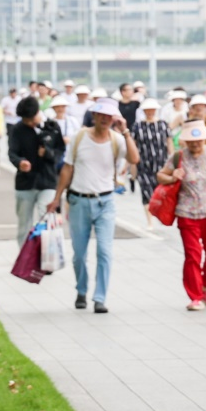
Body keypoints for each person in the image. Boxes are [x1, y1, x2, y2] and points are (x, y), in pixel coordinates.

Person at [47, 97, 140, 314]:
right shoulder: (80, 137)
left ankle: (100, 297)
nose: (105, 119)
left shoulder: (117, 139)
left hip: (105, 202)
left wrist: (125, 131)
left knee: (105, 251)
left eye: (110, 116)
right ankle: (81, 290)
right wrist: (57, 198)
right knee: (79, 253)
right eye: (102, 115)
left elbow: (135, 159)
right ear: (95, 116)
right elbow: (67, 169)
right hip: (79, 201)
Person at [157, 120, 206, 311]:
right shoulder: (178, 156)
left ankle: (205, 286)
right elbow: (160, 175)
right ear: (185, 141)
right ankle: (195, 296)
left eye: (199, 140)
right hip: (187, 213)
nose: (195, 144)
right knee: (192, 255)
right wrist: (172, 177)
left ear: (204, 138)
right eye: (191, 141)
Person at [9, 97, 65, 245]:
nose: (28, 123)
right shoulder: (17, 129)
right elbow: (12, 153)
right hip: (25, 183)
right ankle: (24, 259)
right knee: (24, 224)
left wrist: (47, 153)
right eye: (25, 120)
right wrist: (20, 162)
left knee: (45, 219)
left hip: (47, 181)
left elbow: (60, 151)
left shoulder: (52, 127)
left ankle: (46, 256)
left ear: (37, 112)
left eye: (30, 119)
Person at [130, 98, 173, 225]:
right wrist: (130, 165)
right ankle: (150, 221)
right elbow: (133, 145)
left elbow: (169, 142)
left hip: (161, 163)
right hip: (143, 164)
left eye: (152, 109)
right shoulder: (137, 126)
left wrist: (173, 159)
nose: (150, 112)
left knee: (160, 191)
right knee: (146, 192)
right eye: (147, 110)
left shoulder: (163, 124)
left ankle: (160, 215)